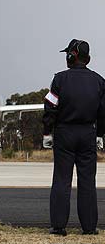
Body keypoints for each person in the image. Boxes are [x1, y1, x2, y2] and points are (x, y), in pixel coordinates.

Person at [43, 39, 105, 236]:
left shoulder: (59, 79)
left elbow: (50, 107)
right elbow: (103, 112)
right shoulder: (99, 81)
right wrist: (100, 134)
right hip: (88, 133)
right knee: (87, 181)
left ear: (72, 55)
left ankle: (59, 226)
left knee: (62, 179)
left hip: (64, 133)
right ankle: (89, 227)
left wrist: (47, 131)